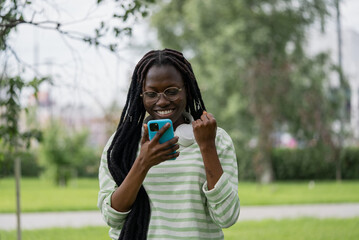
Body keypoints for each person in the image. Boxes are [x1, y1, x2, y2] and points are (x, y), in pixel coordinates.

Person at [98, 48, 240, 240]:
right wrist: (143, 163)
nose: (162, 101)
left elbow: (227, 217)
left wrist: (207, 147)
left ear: (187, 90)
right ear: (141, 95)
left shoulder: (216, 139)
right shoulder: (121, 146)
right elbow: (111, 217)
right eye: (151, 93)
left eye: (171, 91)